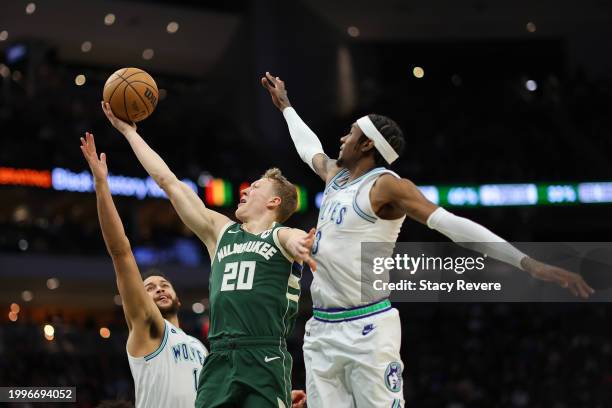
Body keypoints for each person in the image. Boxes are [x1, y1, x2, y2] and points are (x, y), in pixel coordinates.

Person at [261, 72, 595, 407]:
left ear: (367, 145)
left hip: (367, 327)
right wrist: (286, 106)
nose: (342, 139)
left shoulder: (388, 186)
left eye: (351, 134)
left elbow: (452, 225)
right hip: (321, 327)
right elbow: (310, 150)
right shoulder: (335, 176)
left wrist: (528, 263)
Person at [101, 102, 312, 408]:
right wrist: (129, 133)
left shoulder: (280, 235)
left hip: (263, 353)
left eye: (255, 187)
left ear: (274, 201)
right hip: (220, 356)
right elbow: (168, 182)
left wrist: (300, 245)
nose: (246, 189)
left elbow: (291, 238)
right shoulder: (221, 231)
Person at [80, 133, 208, 408]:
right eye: (149, 287)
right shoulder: (148, 327)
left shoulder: (200, 348)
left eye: (164, 284)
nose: (159, 288)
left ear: (178, 298)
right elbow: (121, 252)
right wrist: (102, 184)